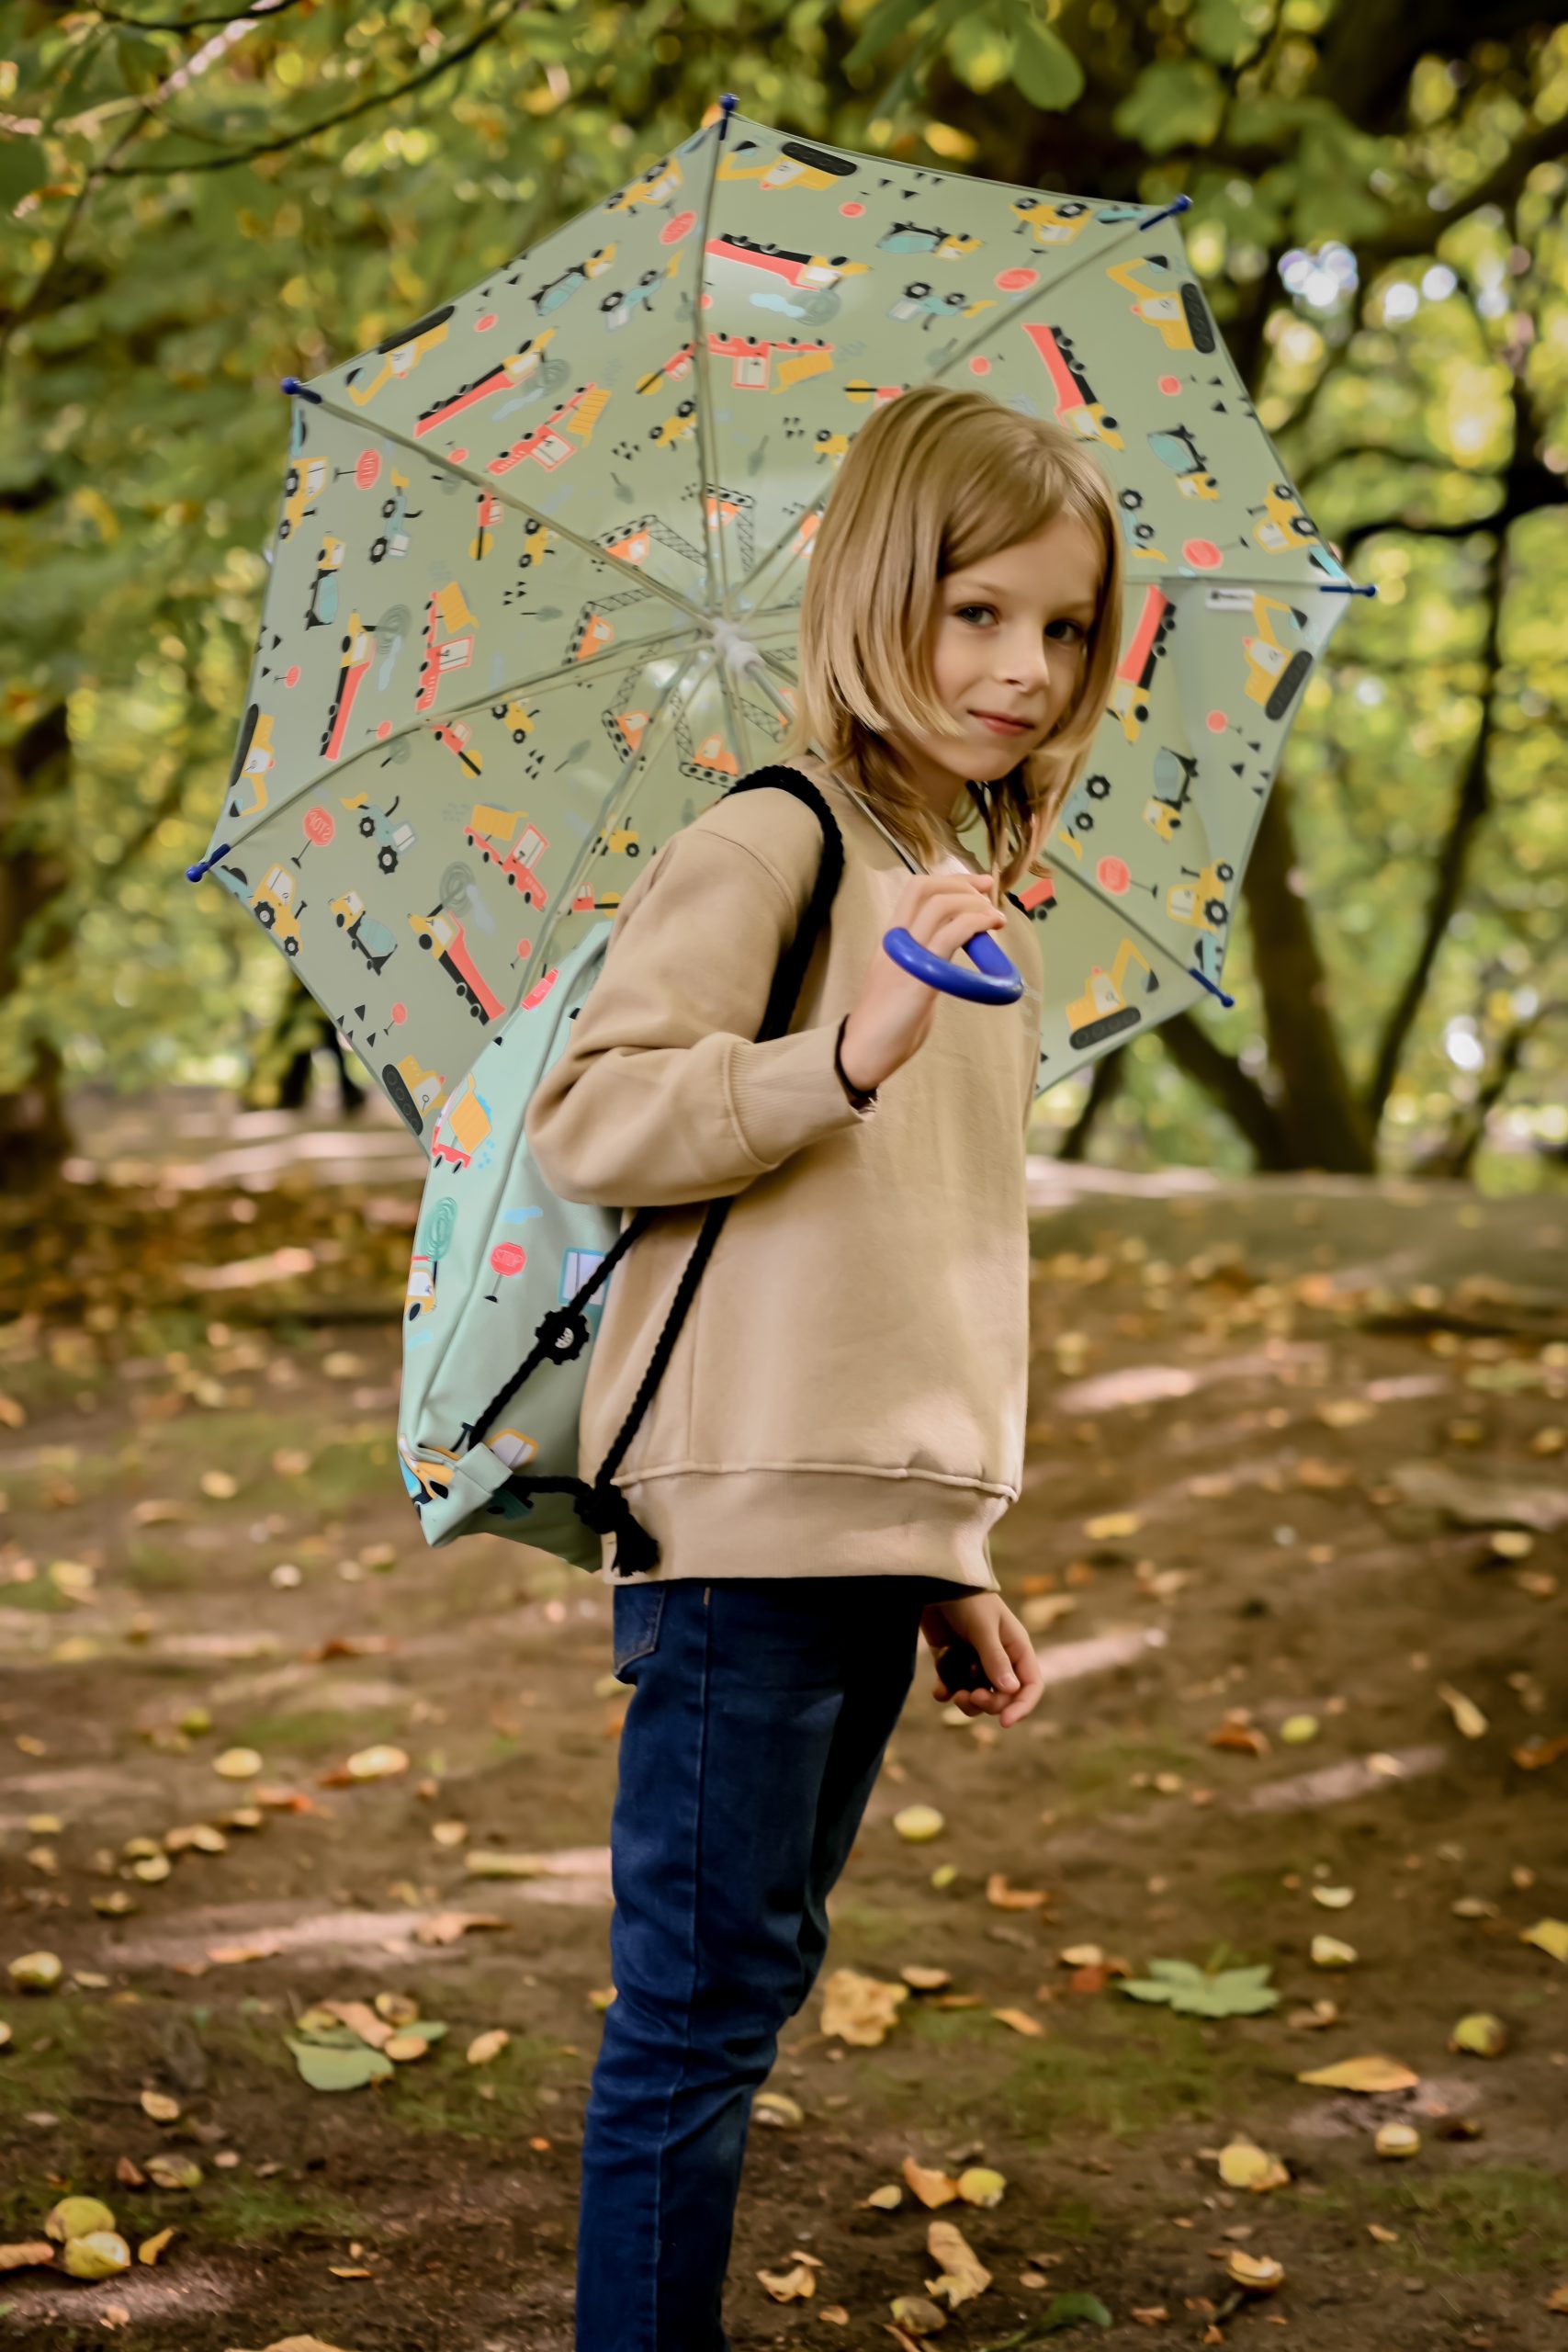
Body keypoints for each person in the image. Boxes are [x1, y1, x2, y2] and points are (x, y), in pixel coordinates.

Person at [523, 380, 1125, 2352]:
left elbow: (906, 1265)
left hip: (858, 1528)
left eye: (1059, 625)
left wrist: (941, 1546)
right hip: (732, 1534)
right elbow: (597, 1120)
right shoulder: (773, 837)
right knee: (692, 2012)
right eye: (973, 613)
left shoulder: (963, 886)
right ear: (874, 592)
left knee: (752, 1980)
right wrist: (844, 1045)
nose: (1021, 668)